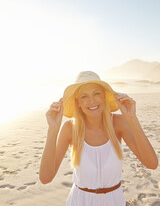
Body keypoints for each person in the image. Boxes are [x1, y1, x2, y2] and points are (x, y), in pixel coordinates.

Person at [39, 71, 158, 205]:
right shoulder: (70, 129)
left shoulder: (119, 123)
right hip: (80, 201)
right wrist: (52, 130)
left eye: (97, 93)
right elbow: (45, 178)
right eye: (84, 96)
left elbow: (152, 164)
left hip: (114, 201)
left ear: (104, 97)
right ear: (78, 102)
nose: (92, 101)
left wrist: (132, 119)